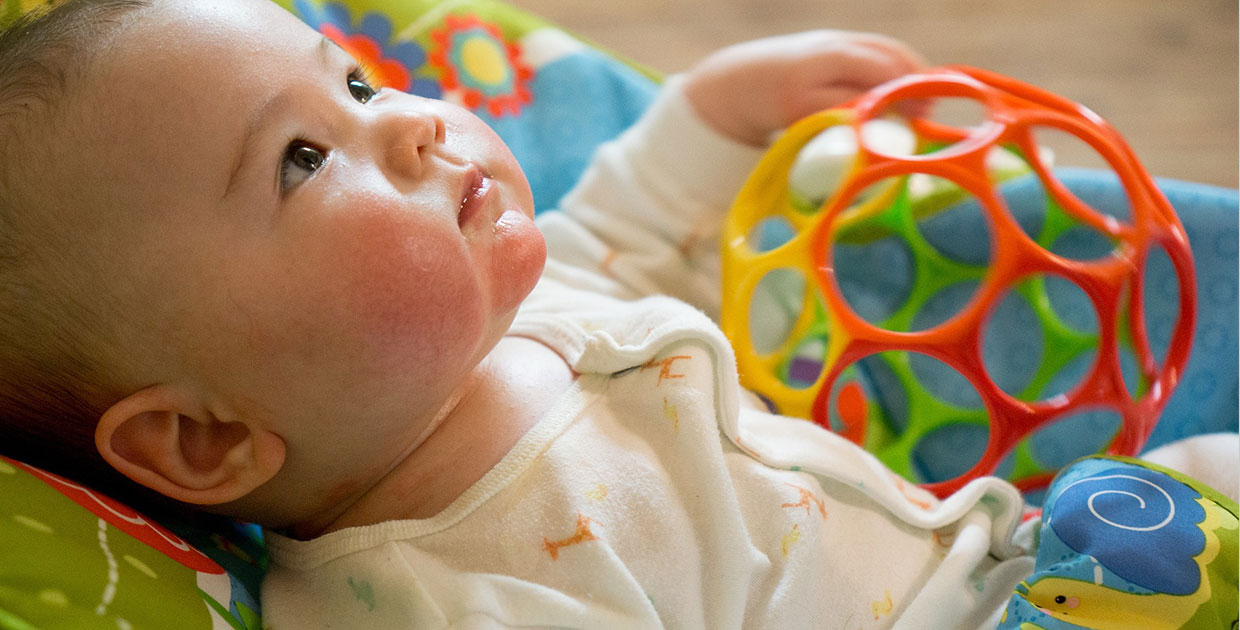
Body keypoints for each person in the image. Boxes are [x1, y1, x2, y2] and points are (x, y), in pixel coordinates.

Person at [0, 0, 1233, 628]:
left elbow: (625, 229)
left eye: (362, 79)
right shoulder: (444, 599)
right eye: (305, 159)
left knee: (1195, 482)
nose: (416, 118)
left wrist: (706, 112)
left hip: (1018, 559)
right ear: (205, 441)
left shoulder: (505, 315)